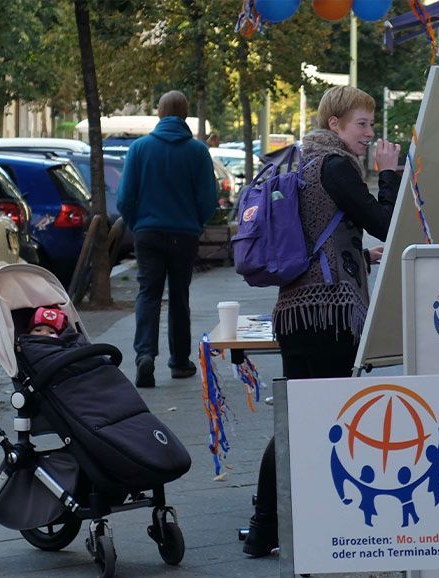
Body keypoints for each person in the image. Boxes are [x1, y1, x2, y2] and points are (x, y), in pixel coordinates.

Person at [243, 85, 401, 557]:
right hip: (325, 312)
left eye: (371, 125)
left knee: (302, 418)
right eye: (362, 125)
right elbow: (383, 220)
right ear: (335, 125)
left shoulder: (305, 162)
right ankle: (270, 524)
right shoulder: (334, 166)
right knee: (312, 419)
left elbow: (326, 230)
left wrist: (360, 255)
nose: (370, 135)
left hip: (301, 309)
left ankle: (267, 527)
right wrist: (389, 175)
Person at [117, 90, 218, 388]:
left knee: (147, 294)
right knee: (179, 297)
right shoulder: (198, 152)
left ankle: (144, 355)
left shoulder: (139, 149)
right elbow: (209, 200)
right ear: (185, 115)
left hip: (148, 232)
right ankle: (179, 362)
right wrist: (195, 223)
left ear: (159, 113)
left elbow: (125, 199)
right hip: (183, 234)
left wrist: (138, 226)